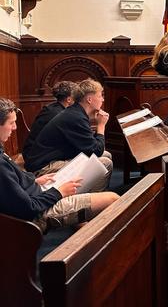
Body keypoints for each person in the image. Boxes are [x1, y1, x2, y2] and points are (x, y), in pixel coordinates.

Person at [0, 98, 118, 232]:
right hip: (37, 214)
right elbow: (29, 208)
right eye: (11, 123)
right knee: (112, 199)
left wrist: (34, 181)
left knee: (91, 173)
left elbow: (14, 182)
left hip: (40, 193)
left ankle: (84, 222)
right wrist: (59, 192)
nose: (15, 127)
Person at [23, 79, 113, 192]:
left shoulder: (76, 112)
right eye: (100, 96)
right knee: (105, 163)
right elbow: (97, 150)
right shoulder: (76, 117)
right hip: (43, 167)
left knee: (107, 155)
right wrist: (101, 126)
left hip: (55, 158)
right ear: (89, 99)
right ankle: (94, 202)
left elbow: (92, 147)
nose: (103, 99)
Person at [22, 81, 79, 159]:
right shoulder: (58, 114)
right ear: (69, 99)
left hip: (36, 154)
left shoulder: (54, 108)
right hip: (37, 158)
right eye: (77, 98)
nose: (78, 101)